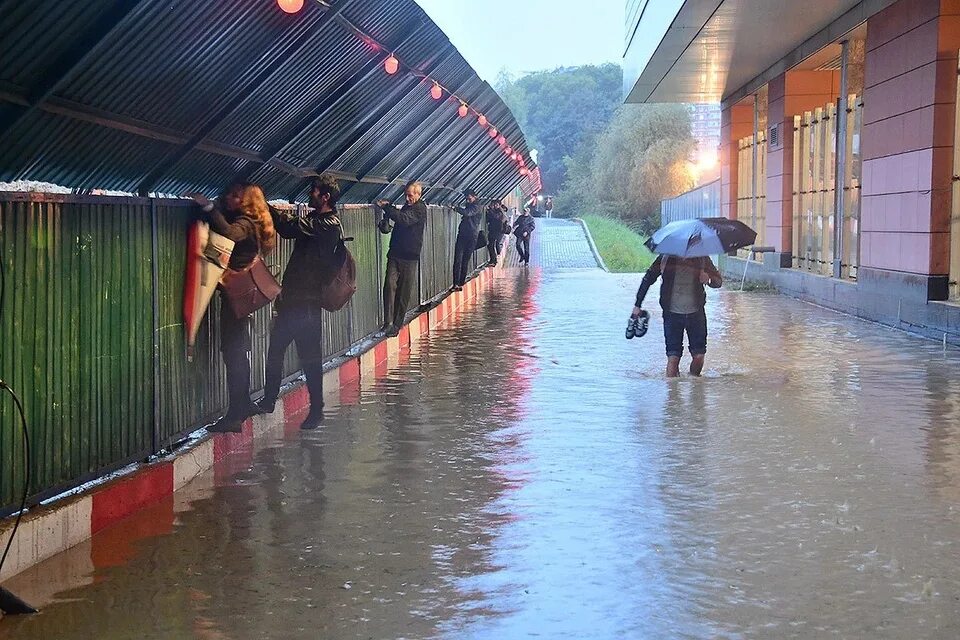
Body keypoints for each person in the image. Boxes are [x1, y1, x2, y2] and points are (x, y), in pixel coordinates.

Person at [256, 175, 342, 430]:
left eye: (314, 190)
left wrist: (263, 205)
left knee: (309, 359)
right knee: (276, 351)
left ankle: (316, 410)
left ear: (325, 196)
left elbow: (287, 227)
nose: (310, 193)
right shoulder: (319, 220)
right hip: (294, 299)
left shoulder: (328, 224)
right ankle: (270, 399)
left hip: (306, 303)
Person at [193, 182, 277, 433]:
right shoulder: (254, 221)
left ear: (247, 202)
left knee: (233, 353)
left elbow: (229, 233)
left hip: (236, 296)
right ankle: (243, 404)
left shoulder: (246, 224)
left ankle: (235, 415)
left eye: (235, 196)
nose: (229, 198)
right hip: (242, 296)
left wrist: (208, 207)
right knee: (238, 351)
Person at [632, 255, 723, 378]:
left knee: (699, 356)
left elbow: (718, 281)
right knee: (673, 357)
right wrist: (637, 305)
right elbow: (648, 279)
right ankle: (672, 394)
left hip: (696, 314)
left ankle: (695, 387)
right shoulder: (665, 258)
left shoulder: (702, 259)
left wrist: (709, 280)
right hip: (672, 314)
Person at [376, 181, 428, 336]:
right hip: (395, 253)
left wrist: (387, 207)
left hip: (410, 257)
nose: (407, 198)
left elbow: (404, 220)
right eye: (406, 195)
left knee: (403, 292)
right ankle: (388, 322)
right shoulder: (408, 206)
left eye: (410, 195)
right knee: (389, 286)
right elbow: (400, 218)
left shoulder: (420, 209)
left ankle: (396, 325)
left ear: (418, 195)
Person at [452, 188, 482, 290]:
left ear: (474, 196)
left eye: (469, 198)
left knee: (464, 260)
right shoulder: (471, 205)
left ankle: (460, 283)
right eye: (466, 199)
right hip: (464, 235)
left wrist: (456, 208)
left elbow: (468, 213)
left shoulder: (477, 206)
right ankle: (456, 283)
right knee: (458, 259)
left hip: (471, 236)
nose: (467, 200)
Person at [485, 199, 509, 266]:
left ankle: (494, 260)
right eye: (494, 204)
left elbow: (495, 217)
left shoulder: (500, 212)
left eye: (496, 204)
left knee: (492, 245)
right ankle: (493, 259)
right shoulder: (495, 211)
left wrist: (489, 210)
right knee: (490, 245)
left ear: (499, 205)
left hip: (497, 231)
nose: (495, 206)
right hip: (493, 230)